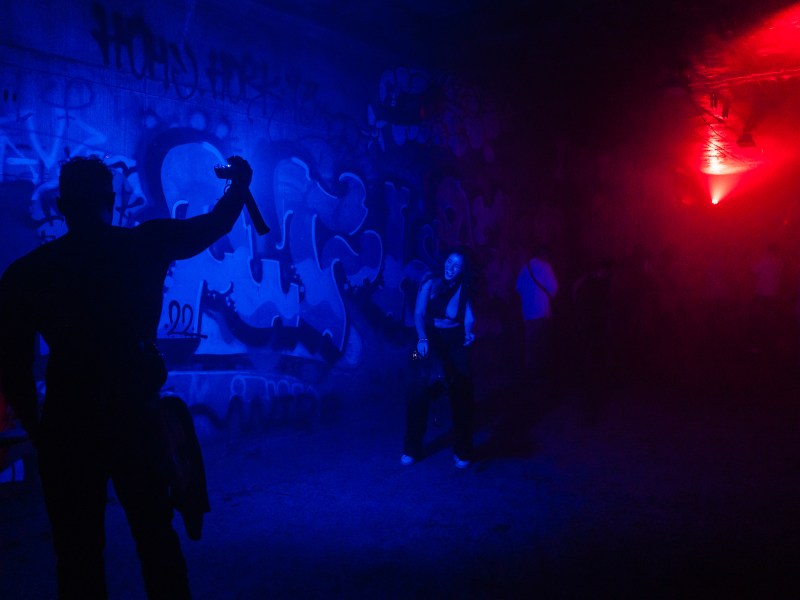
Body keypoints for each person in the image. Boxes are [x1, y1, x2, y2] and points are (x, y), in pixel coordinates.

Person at [0, 154, 255, 599]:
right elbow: (214, 224)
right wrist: (240, 184)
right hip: (133, 415)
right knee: (156, 538)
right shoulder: (144, 245)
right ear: (111, 200)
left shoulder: (28, 274)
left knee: (78, 554)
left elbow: (12, 364)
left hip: (68, 420)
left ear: (61, 205)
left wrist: (40, 431)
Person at [401, 248, 476, 469]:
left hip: (454, 341)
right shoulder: (430, 282)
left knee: (462, 390)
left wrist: (470, 332)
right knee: (416, 388)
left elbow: (469, 317)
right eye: (449, 262)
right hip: (426, 341)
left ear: (462, 270)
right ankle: (411, 448)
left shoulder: (464, 289)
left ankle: (463, 450)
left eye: (457, 265)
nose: (451, 268)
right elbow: (419, 314)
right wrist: (422, 338)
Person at [515, 246, 558, 390]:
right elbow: (554, 288)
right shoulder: (546, 267)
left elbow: (517, 288)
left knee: (531, 346)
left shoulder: (523, 269)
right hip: (542, 312)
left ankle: (531, 376)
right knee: (543, 344)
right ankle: (543, 376)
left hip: (527, 314)